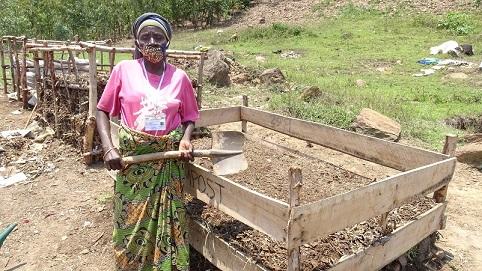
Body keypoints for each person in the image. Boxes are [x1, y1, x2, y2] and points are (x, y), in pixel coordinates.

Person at [95, 12, 199, 271]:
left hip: (169, 165)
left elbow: (190, 116)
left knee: (170, 223)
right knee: (130, 226)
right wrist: (108, 147)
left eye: (158, 36)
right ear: (137, 42)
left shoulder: (180, 78)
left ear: (168, 41)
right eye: (145, 36)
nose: (152, 41)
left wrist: (185, 140)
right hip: (133, 166)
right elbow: (102, 110)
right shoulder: (124, 70)